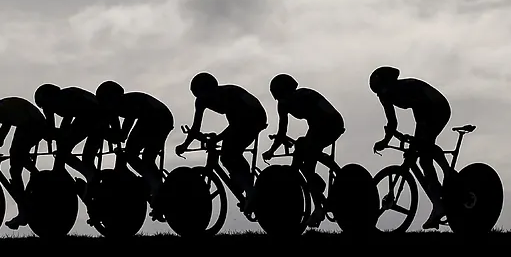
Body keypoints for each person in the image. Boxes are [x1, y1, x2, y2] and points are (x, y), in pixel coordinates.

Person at [369, 66, 453, 230]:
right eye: (377, 92)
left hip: (437, 107)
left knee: (424, 150)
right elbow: (392, 123)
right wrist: (385, 141)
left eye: (381, 90)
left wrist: (417, 136)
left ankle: (446, 175)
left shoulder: (405, 87)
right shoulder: (387, 95)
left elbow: (421, 108)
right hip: (427, 110)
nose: (380, 95)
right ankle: (439, 202)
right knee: (424, 155)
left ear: (389, 84)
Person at [261, 73, 345, 228]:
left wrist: (306, 148)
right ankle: (316, 182)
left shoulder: (304, 96)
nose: (281, 100)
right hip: (319, 126)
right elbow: (282, 131)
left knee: (304, 151)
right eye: (279, 97)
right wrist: (272, 150)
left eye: (282, 95)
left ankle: (318, 208)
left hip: (330, 123)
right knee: (304, 151)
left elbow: (319, 121)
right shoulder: (284, 104)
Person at [175, 72, 267, 208]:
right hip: (244, 118)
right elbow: (196, 128)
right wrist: (185, 144)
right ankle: (243, 184)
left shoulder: (228, 94)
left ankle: (250, 190)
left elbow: (238, 123)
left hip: (253, 117)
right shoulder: (203, 100)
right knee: (230, 153)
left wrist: (216, 139)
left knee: (229, 154)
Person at [0, 95, 46, 230]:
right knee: (16, 157)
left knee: (15, 164)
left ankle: (23, 211)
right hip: (35, 122)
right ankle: (36, 178)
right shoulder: (6, 112)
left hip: (31, 124)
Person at [96, 80, 175, 205]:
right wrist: (120, 134)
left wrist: (121, 134)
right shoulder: (123, 102)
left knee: (131, 155)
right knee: (148, 158)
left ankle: (155, 184)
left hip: (153, 117)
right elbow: (119, 127)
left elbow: (128, 119)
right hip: (164, 118)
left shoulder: (125, 102)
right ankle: (158, 185)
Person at [35, 83, 106, 196]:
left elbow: (64, 123)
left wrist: (56, 137)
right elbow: (59, 124)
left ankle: (91, 177)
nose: (46, 110)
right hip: (98, 119)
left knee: (63, 152)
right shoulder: (65, 94)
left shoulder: (63, 98)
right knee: (87, 158)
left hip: (89, 118)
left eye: (45, 106)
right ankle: (93, 180)